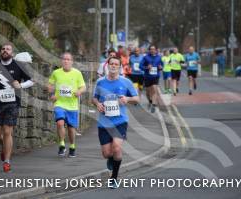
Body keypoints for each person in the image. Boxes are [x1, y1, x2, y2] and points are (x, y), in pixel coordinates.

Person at [0, 43, 34, 172]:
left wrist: (20, 86)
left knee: (7, 131)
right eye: (3, 49)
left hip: (12, 103)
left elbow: (31, 80)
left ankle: (7, 161)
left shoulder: (18, 65)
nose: (5, 51)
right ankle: (6, 147)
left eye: (8, 49)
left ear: (12, 53)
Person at [92, 57, 139, 189]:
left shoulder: (126, 82)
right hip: (104, 122)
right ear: (107, 66)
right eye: (111, 63)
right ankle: (111, 159)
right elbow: (94, 98)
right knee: (107, 153)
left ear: (119, 67)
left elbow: (137, 99)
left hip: (120, 121)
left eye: (116, 64)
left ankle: (114, 178)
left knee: (117, 148)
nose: (113, 66)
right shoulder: (100, 82)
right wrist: (98, 104)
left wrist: (128, 98)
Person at [48, 52, 86, 157]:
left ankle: (72, 146)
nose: (66, 61)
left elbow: (83, 87)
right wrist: (51, 95)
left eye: (68, 59)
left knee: (71, 128)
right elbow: (50, 85)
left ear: (72, 62)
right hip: (59, 103)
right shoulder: (56, 73)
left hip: (72, 105)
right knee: (60, 123)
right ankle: (61, 144)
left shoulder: (77, 73)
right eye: (64, 59)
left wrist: (79, 92)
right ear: (61, 61)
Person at [140, 45, 163, 113]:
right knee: (148, 92)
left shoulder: (159, 57)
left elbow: (162, 65)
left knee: (154, 89)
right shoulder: (145, 57)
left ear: (156, 50)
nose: (152, 50)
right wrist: (147, 67)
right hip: (147, 76)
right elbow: (140, 66)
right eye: (151, 49)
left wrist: (160, 67)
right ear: (149, 50)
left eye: (154, 49)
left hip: (156, 76)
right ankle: (150, 101)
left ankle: (154, 104)